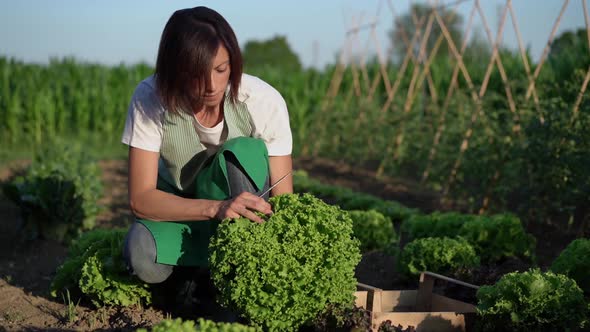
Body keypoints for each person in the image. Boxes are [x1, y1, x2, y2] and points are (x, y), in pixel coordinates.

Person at [121, 5, 293, 297]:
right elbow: (141, 199)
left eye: (221, 69)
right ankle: (195, 274)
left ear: (233, 64)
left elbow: (283, 199)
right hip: (182, 215)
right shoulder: (151, 99)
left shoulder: (263, 101)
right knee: (140, 252)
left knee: (244, 150)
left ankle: (234, 274)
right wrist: (215, 209)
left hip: (242, 227)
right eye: (197, 74)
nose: (212, 86)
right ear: (175, 70)